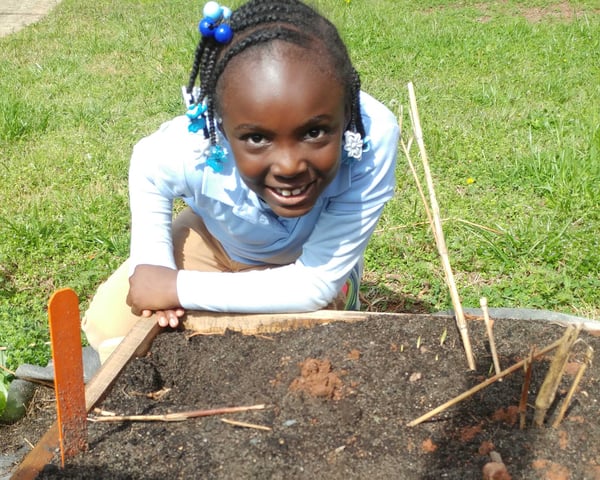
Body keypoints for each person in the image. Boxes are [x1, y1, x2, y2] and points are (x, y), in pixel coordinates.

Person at [82, 0, 399, 361]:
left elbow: (312, 283)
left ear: (346, 113)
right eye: (257, 138)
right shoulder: (192, 145)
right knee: (110, 326)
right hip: (220, 239)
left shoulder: (372, 135)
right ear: (220, 124)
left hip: (306, 257)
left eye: (314, 132)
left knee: (309, 347)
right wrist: (155, 266)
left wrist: (176, 287)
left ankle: (346, 288)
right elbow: (148, 168)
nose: (289, 165)